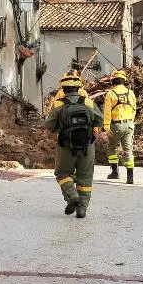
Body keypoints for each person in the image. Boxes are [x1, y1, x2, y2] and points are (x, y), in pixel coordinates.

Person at [45, 72, 103, 218]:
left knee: (62, 173)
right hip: (87, 145)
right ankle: (82, 209)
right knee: (85, 177)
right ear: (78, 89)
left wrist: (60, 126)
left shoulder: (58, 104)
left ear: (63, 90)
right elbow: (100, 120)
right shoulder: (88, 102)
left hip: (66, 145)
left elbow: (50, 126)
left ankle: (72, 196)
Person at [102, 69, 138, 184]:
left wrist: (107, 127)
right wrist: (131, 121)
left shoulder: (111, 94)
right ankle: (130, 177)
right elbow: (134, 108)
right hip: (129, 124)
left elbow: (107, 112)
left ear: (113, 82)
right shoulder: (130, 93)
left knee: (112, 148)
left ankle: (115, 172)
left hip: (116, 125)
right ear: (124, 81)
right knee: (128, 149)